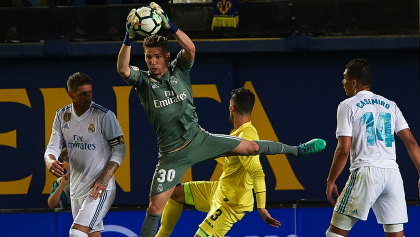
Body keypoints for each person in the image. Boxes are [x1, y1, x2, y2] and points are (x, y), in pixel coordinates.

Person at [117, 3, 326, 236]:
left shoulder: (179, 71)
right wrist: (128, 37)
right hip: (172, 155)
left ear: (167, 56)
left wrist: (170, 25)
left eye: (157, 57)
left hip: (199, 139)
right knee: (155, 207)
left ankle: (297, 150)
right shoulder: (144, 82)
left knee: (252, 147)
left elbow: (191, 49)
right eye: (148, 57)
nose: (152, 62)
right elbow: (123, 69)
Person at [155, 87, 281, 237]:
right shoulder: (238, 132)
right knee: (175, 193)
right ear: (252, 110)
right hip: (220, 189)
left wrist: (261, 208)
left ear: (231, 108)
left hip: (231, 203)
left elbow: (257, 172)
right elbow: (232, 162)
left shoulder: (247, 136)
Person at [325, 59, 420, 237]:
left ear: (354, 82)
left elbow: (343, 149)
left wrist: (331, 180)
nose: (343, 82)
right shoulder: (391, 105)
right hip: (393, 176)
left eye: (344, 78)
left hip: (366, 173)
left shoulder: (347, 105)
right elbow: (411, 142)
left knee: (334, 235)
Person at [44, 72, 126, 237]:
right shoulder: (62, 116)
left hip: (100, 188)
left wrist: (105, 177)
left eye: (90, 92)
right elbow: (52, 147)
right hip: (76, 187)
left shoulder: (104, 115)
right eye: (82, 94)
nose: (88, 97)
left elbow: (120, 149)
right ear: (70, 94)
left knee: (77, 233)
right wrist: (50, 160)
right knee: (91, 234)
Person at [48, 147, 102, 237]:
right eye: (68, 159)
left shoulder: (91, 179)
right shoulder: (59, 182)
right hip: (66, 219)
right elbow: (51, 204)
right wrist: (62, 185)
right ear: (62, 164)